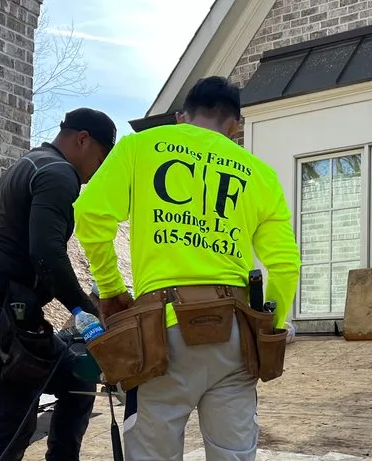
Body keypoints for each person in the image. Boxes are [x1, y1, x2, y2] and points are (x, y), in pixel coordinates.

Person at [73, 76, 301, 460]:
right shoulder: (259, 174)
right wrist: (271, 324)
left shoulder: (140, 147)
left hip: (162, 331)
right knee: (234, 453)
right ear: (236, 125)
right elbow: (285, 264)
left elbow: (91, 216)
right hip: (235, 334)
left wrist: (111, 290)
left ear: (182, 117)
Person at [0, 108, 118, 461]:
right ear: (82, 139)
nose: (98, 170)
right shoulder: (58, 173)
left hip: (14, 319)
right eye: (101, 158)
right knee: (10, 434)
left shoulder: (33, 163)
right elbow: (47, 256)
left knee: (77, 381)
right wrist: (88, 315)